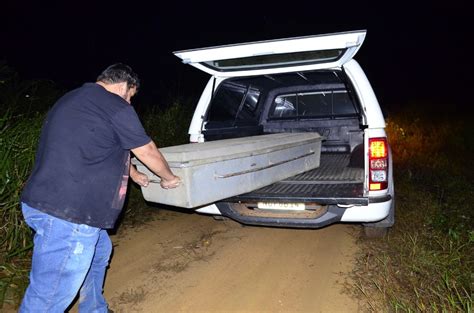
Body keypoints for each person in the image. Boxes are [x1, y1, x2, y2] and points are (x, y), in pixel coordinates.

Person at [19, 63, 180, 312]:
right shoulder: (115, 105)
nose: (130, 103)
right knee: (50, 295)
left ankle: (94, 308)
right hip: (70, 213)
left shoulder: (74, 99)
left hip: (42, 202)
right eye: (131, 96)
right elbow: (146, 150)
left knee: (99, 252)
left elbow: (95, 146)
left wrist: (134, 173)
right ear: (126, 86)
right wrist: (168, 177)